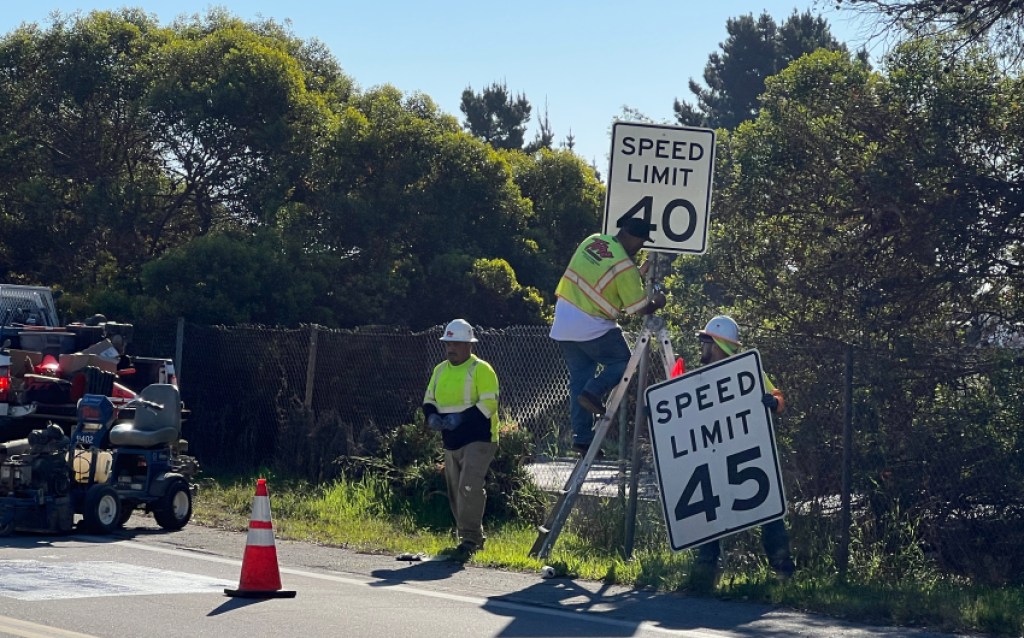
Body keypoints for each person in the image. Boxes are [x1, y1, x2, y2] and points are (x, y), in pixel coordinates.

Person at [689, 315, 796, 588]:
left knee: (766, 510)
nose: (701, 348)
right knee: (711, 509)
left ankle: (783, 571)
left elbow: (780, 398)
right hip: (713, 456)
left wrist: (772, 402)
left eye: (704, 342)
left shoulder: (748, 371)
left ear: (715, 344)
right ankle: (705, 570)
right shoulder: (699, 377)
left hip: (747, 455)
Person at [549, 218, 667, 456]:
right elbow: (638, 309)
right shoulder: (625, 268)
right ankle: (595, 391)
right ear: (633, 238)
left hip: (563, 320)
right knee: (624, 362)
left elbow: (607, 273)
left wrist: (638, 272)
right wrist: (657, 302)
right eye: (641, 242)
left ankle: (582, 438)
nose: (640, 247)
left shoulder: (594, 240)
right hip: (591, 325)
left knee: (578, 382)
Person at [422, 318, 500, 559]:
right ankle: (465, 537)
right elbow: (429, 400)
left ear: (469, 345)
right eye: (448, 343)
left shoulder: (481, 370)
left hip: (480, 438)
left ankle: (471, 539)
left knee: (469, 486)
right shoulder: (439, 370)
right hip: (451, 440)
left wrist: (461, 418)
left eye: (455, 343)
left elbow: (489, 404)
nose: (450, 348)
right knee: (456, 490)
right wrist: (432, 416)